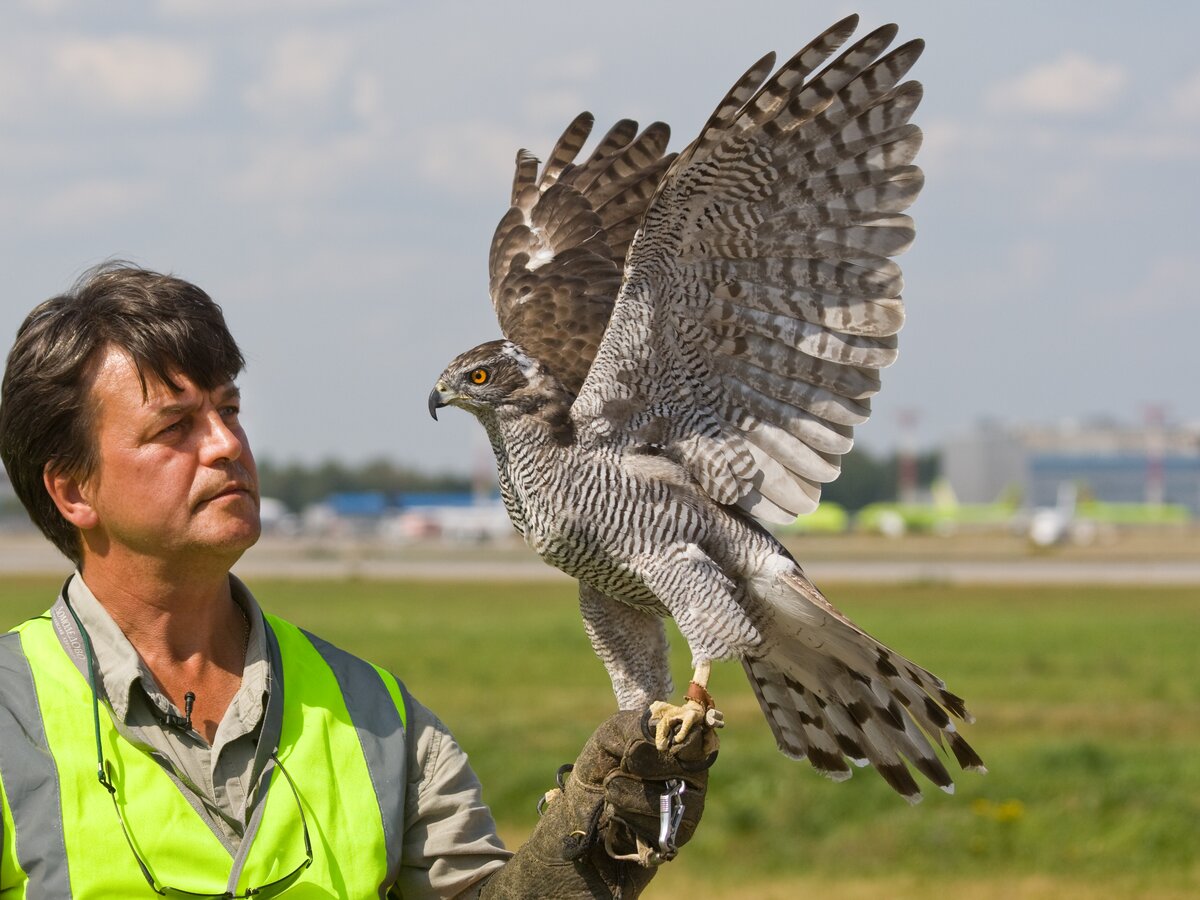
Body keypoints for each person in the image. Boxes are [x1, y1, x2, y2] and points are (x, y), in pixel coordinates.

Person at [0, 263, 713, 898]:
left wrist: (580, 861)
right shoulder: (12, 716)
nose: (225, 445)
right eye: (175, 427)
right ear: (72, 492)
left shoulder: (377, 717)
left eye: (229, 410)